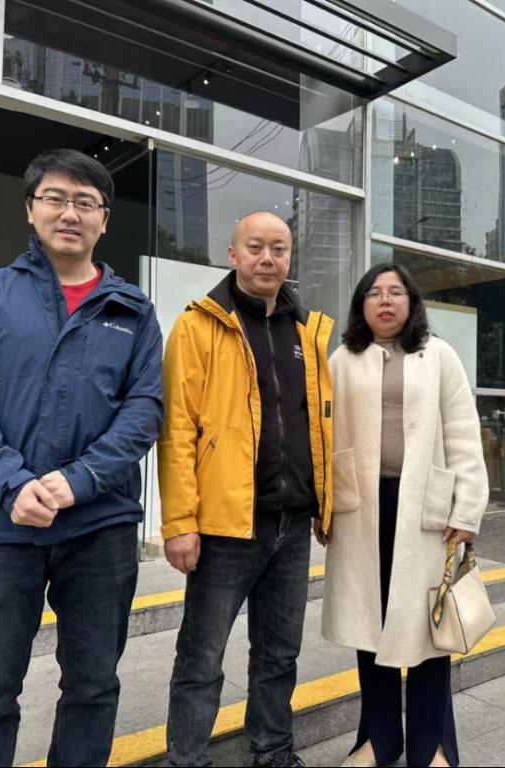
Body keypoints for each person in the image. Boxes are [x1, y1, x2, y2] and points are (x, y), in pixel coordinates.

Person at [0, 148, 164, 767]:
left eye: (85, 202)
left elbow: (145, 409)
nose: (70, 213)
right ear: (30, 210)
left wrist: (79, 480)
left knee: (93, 685)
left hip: (99, 525)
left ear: (104, 220)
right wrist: (12, 483)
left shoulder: (132, 310)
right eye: (55, 198)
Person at [159, 211, 334, 767]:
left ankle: (272, 751)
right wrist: (179, 523)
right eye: (255, 247)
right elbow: (177, 429)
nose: (267, 258)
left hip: (293, 524)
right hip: (224, 528)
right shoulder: (199, 326)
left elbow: (319, 424)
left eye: (279, 249)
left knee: (279, 654)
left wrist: (326, 503)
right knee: (201, 659)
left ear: (289, 258)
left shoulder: (307, 332)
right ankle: (187, 760)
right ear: (233, 255)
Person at [320, 263, 488, 768]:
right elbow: (321, 439)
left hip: (425, 510)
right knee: (369, 629)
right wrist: (322, 505)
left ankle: (432, 746)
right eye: (375, 293)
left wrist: (468, 510)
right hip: (361, 510)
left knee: (429, 630)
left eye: (396, 292)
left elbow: (463, 434)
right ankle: (379, 740)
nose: (386, 301)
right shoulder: (342, 360)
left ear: (412, 302)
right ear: (362, 305)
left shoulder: (439, 356)